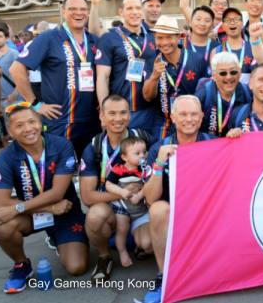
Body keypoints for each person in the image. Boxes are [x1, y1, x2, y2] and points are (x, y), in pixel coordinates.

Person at [0, 103, 88, 293]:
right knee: (3, 225)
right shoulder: (6, 157)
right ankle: (21, 265)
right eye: (19, 125)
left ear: (40, 123)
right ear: (10, 132)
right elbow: (0, 202)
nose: (28, 129)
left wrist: (18, 207)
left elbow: (57, 194)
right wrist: (48, 209)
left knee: (76, 268)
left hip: (66, 211)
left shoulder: (61, 145)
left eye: (31, 122)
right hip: (35, 214)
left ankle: (58, 238)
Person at [141, 95, 212, 303]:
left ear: (201, 117)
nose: (188, 119)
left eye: (193, 114)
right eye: (183, 114)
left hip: (205, 213)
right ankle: (164, 276)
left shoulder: (213, 143)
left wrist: (236, 138)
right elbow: (150, 198)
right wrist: (160, 163)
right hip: (173, 215)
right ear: (172, 117)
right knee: (158, 209)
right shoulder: (159, 148)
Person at [10, 0, 101, 156]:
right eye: (72, 9)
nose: (78, 13)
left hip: (92, 121)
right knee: (62, 173)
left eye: (82, 9)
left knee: (89, 172)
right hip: (61, 121)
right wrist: (36, 104)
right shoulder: (49, 38)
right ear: (63, 12)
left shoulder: (93, 40)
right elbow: (16, 69)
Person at [79, 94, 152, 282]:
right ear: (102, 116)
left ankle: (138, 243)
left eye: (123, 113)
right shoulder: (94, 147)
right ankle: (105, 257)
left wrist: (144, 191)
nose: (118, 118)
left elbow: (159, 172)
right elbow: (87, 197)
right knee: (95, 216)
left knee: (150, 244)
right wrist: (124, 193)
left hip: (140, 207)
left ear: (129, 115)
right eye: (111, 113)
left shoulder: (143, 139)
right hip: (114, 208)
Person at [96, 0, 159, 136]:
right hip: (122, 113)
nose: (135, 12)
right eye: (129, 8)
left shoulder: (152, 36)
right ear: (121, 12)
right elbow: (102, 77)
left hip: (151, 111)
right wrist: (103, 111)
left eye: (138, 8)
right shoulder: (109, 37)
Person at [142, 16, 208, 140]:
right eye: (160, 38)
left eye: (169, 37)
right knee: (162, 157)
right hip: (164, 124)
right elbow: (147, 97)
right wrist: (155, 77)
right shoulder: (151, 61)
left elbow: (206, 95)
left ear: (179, 37)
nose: (165, 42)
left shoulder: (197, 59)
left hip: (190, 122)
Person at [105, 136, 149, 268]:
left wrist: (140, 195)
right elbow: (108, 185)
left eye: (144, 152)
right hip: (122, 206)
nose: (142, 156)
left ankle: (139, 245)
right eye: (137, 153)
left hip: (139, 207)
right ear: (124, 157)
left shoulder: (144, 169)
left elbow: (149, 184)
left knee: (146, 236)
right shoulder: (119, 169)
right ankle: (122, 252)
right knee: (122, 229)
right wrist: (121, 192)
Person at [195, 52, 251, 137]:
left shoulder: (248, 93)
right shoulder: (203, 94)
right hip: (209, 145)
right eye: (223, 73)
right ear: (213, 75)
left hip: (236, 144)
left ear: (240, 73)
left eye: (233, 72)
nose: (228, 77)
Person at [210, 8, 262, 83]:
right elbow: (214, 79)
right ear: (223, 26)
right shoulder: (216, 51)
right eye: (227, 20)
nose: (232, 22)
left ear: (242, 23)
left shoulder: (254, 47)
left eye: (237, 19)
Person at [0, 22, 20, 107]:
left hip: (12, 100)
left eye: (0, 36)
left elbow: (23, 77)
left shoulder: (14, 54)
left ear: (7, 38)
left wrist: (15, 94)